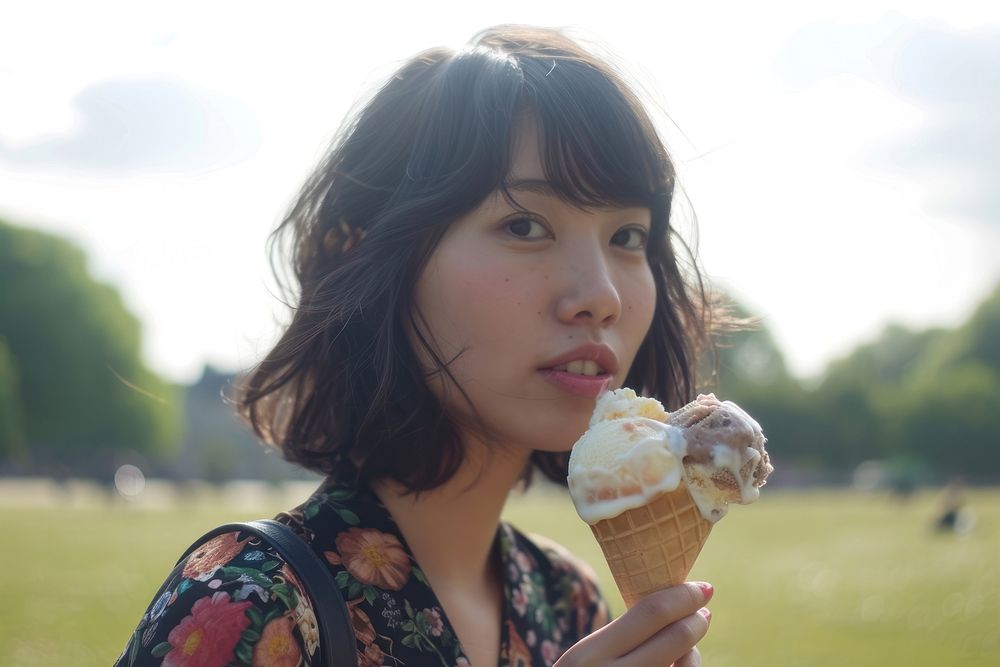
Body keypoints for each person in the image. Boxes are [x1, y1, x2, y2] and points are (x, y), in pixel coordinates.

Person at [116, 24, 720, 667]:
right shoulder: (247, 604)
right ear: (367, 257)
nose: (602, 295)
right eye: (524, 225)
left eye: (628, 236)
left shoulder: (569, 602)